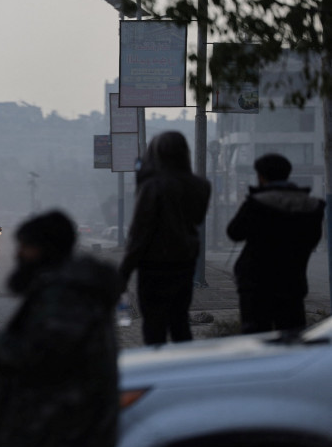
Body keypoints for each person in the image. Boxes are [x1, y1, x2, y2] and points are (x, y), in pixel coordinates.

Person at [0, 210, 120, 447]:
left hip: (58, 436)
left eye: (26, 247)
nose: (18, 254)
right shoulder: (63, 288)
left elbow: (40, 357)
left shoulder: (67, 295)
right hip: (52, 434)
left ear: (46, 249)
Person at [119, 131, 211, 346]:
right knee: (180, 321)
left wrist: (124, 271)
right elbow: (196, 219)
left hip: (154, 266)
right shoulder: (201, 185)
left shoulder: (152, 186)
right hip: (185, 262)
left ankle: (157, 362)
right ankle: (185, 362)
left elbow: (140, 232)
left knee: (154, 325)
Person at [227, 153, 325, 334]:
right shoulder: (313, 206)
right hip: (293, 281)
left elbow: (234, 232)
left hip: (256, 282)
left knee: (256, 335)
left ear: (261, 177)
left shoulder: (256, 203)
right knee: (292, 334)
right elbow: (313, 239)